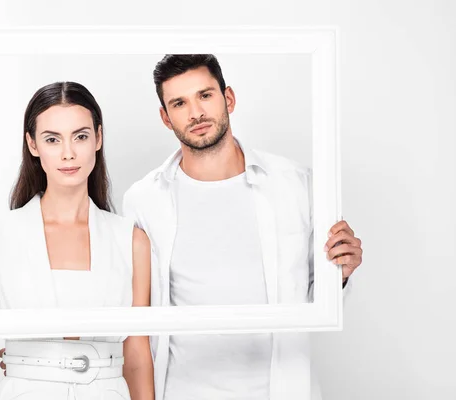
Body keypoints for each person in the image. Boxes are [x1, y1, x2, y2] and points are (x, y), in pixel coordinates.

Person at [121, 54, 364, 400]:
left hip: (281, 390)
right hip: (182, 391)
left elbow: (314, 298)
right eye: (179, 103)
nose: (195, 113)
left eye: (205, 95)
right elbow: (136, 327)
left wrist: (340, 272)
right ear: (165, 117)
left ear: (228, 98)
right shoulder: (143, 200)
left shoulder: (295, 185)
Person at [0, 82, 154, 400]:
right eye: (52, 139)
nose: (68, 153)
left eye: (81, 136)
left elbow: (138, 355)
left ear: (98, 138)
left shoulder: (130, 240)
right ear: (32, 144)